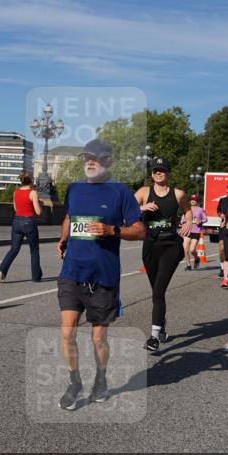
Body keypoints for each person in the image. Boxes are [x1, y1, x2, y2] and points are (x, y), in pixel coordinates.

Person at [57, 139, 144, 411]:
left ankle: (101, 379)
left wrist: (112, 231)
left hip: (103, 276)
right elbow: (70, 218)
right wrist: (62, 239)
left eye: (95, 158)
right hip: (72, 271)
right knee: (67, 332)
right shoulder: (74, 189)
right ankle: (74, 382)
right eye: (86, 158)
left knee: (97, 338)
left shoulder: (121, 193)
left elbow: (140, 230)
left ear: (109, 162)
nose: (89, 162)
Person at [136, 156, 192, 352]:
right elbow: (126, 209)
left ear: (168, 173)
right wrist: (142, 207)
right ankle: (161, 326)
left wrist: (189, 223)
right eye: (154, 170)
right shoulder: (144, 192)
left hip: (171, 246)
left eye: (161, 170)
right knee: (156, 293)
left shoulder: (177, 194)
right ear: (151, 174)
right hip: (150, 245)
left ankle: (153, 338)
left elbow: (187, 210)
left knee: (159, 291)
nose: (158, 173)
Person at [0, 172, 43, 283]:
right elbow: (38, 212)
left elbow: (16, 209)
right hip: (29, 222)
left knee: (14, 249)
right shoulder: (33, 193)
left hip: (17, 222)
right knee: (34, 250)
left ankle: (2, 270)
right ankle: (36, 277)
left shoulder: (16, 192)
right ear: (31, 181)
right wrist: (39, 204)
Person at [181, 194, 207, 270]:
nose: (192, 201)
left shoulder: (200, 210)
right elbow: (183, 219)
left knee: (192, 250)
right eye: (191, 199)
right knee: (185, 249)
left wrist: (200, 221)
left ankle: (197, 258)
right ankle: (188, 265)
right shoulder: (187, 209)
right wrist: (182, 223)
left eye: (194, 200)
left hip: (196, 231)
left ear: (197, 201)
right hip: (187, 230)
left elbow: (205, 219)